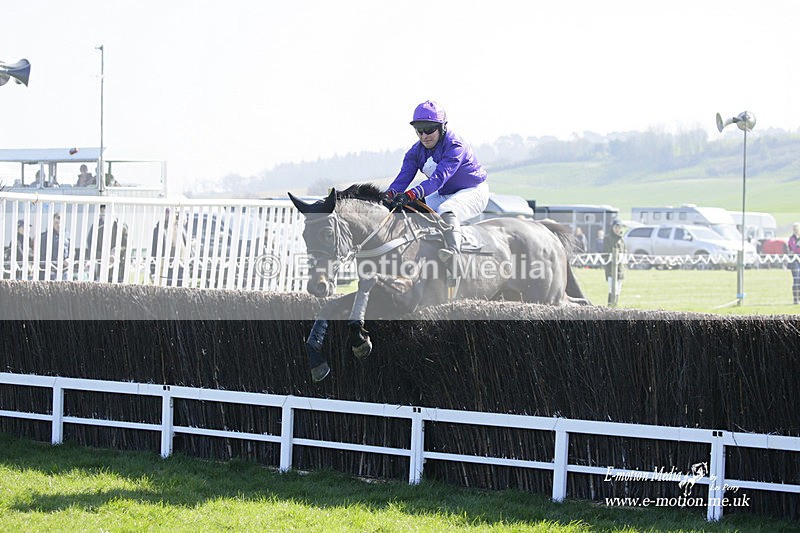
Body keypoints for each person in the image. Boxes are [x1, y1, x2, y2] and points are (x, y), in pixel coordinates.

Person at [385, 100, 489, 265]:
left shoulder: (455, 145)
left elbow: (438, 179)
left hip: (473, 190)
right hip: (444, 193)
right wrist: (387, 197)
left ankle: (454, 257)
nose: (424, 136)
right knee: (412, 210)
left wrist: (411, 194)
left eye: (429, 129)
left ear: (442, 127)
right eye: (419, 130)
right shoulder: (414, 152)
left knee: (446, 210)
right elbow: (402, 180)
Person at [86, 204, 128, 282]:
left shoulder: (120, 225)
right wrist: (103, 256)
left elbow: (127, 244)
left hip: (118, 267)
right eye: (102, 209)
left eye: (106, 208)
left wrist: (117, 251)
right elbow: (90, 243)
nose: (104, 211)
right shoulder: (96, 225)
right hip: (101, 267)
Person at [150, 207, 188, 285]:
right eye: (167, 213)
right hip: (166, 267)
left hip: (181, 266)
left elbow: (186, 244)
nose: (169, 215)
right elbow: (153, 250)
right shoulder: (159, 230)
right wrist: (153, 269)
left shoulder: (180, 228)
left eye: (171, 213)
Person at [39, 212, 71, 280]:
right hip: (50, 273)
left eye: (60, 222)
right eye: (56, 222)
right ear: (52, 223)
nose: (58, 225)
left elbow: (70, 253)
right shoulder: (45, 237)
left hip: (64, 272)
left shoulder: (67, 237)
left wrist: (68, 259)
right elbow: (42, 256)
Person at [603, 220, 626, 306]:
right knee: (612, 288)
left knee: (618, 288)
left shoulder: (621, 239)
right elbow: (606, 253)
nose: (617, 229)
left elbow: (625, 251)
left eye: (619, 227)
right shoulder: (608, 238)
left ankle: (615, 306)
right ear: (612, 227)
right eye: (616, 227)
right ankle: (610, 306)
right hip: (611, 268)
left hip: (621, 267)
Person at [788, 222, 800, 304]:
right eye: (794, 228)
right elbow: (794, 249)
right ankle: (796, 299)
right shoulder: (791, 239)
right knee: (796, 279)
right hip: (794, 261)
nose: (796, 230)